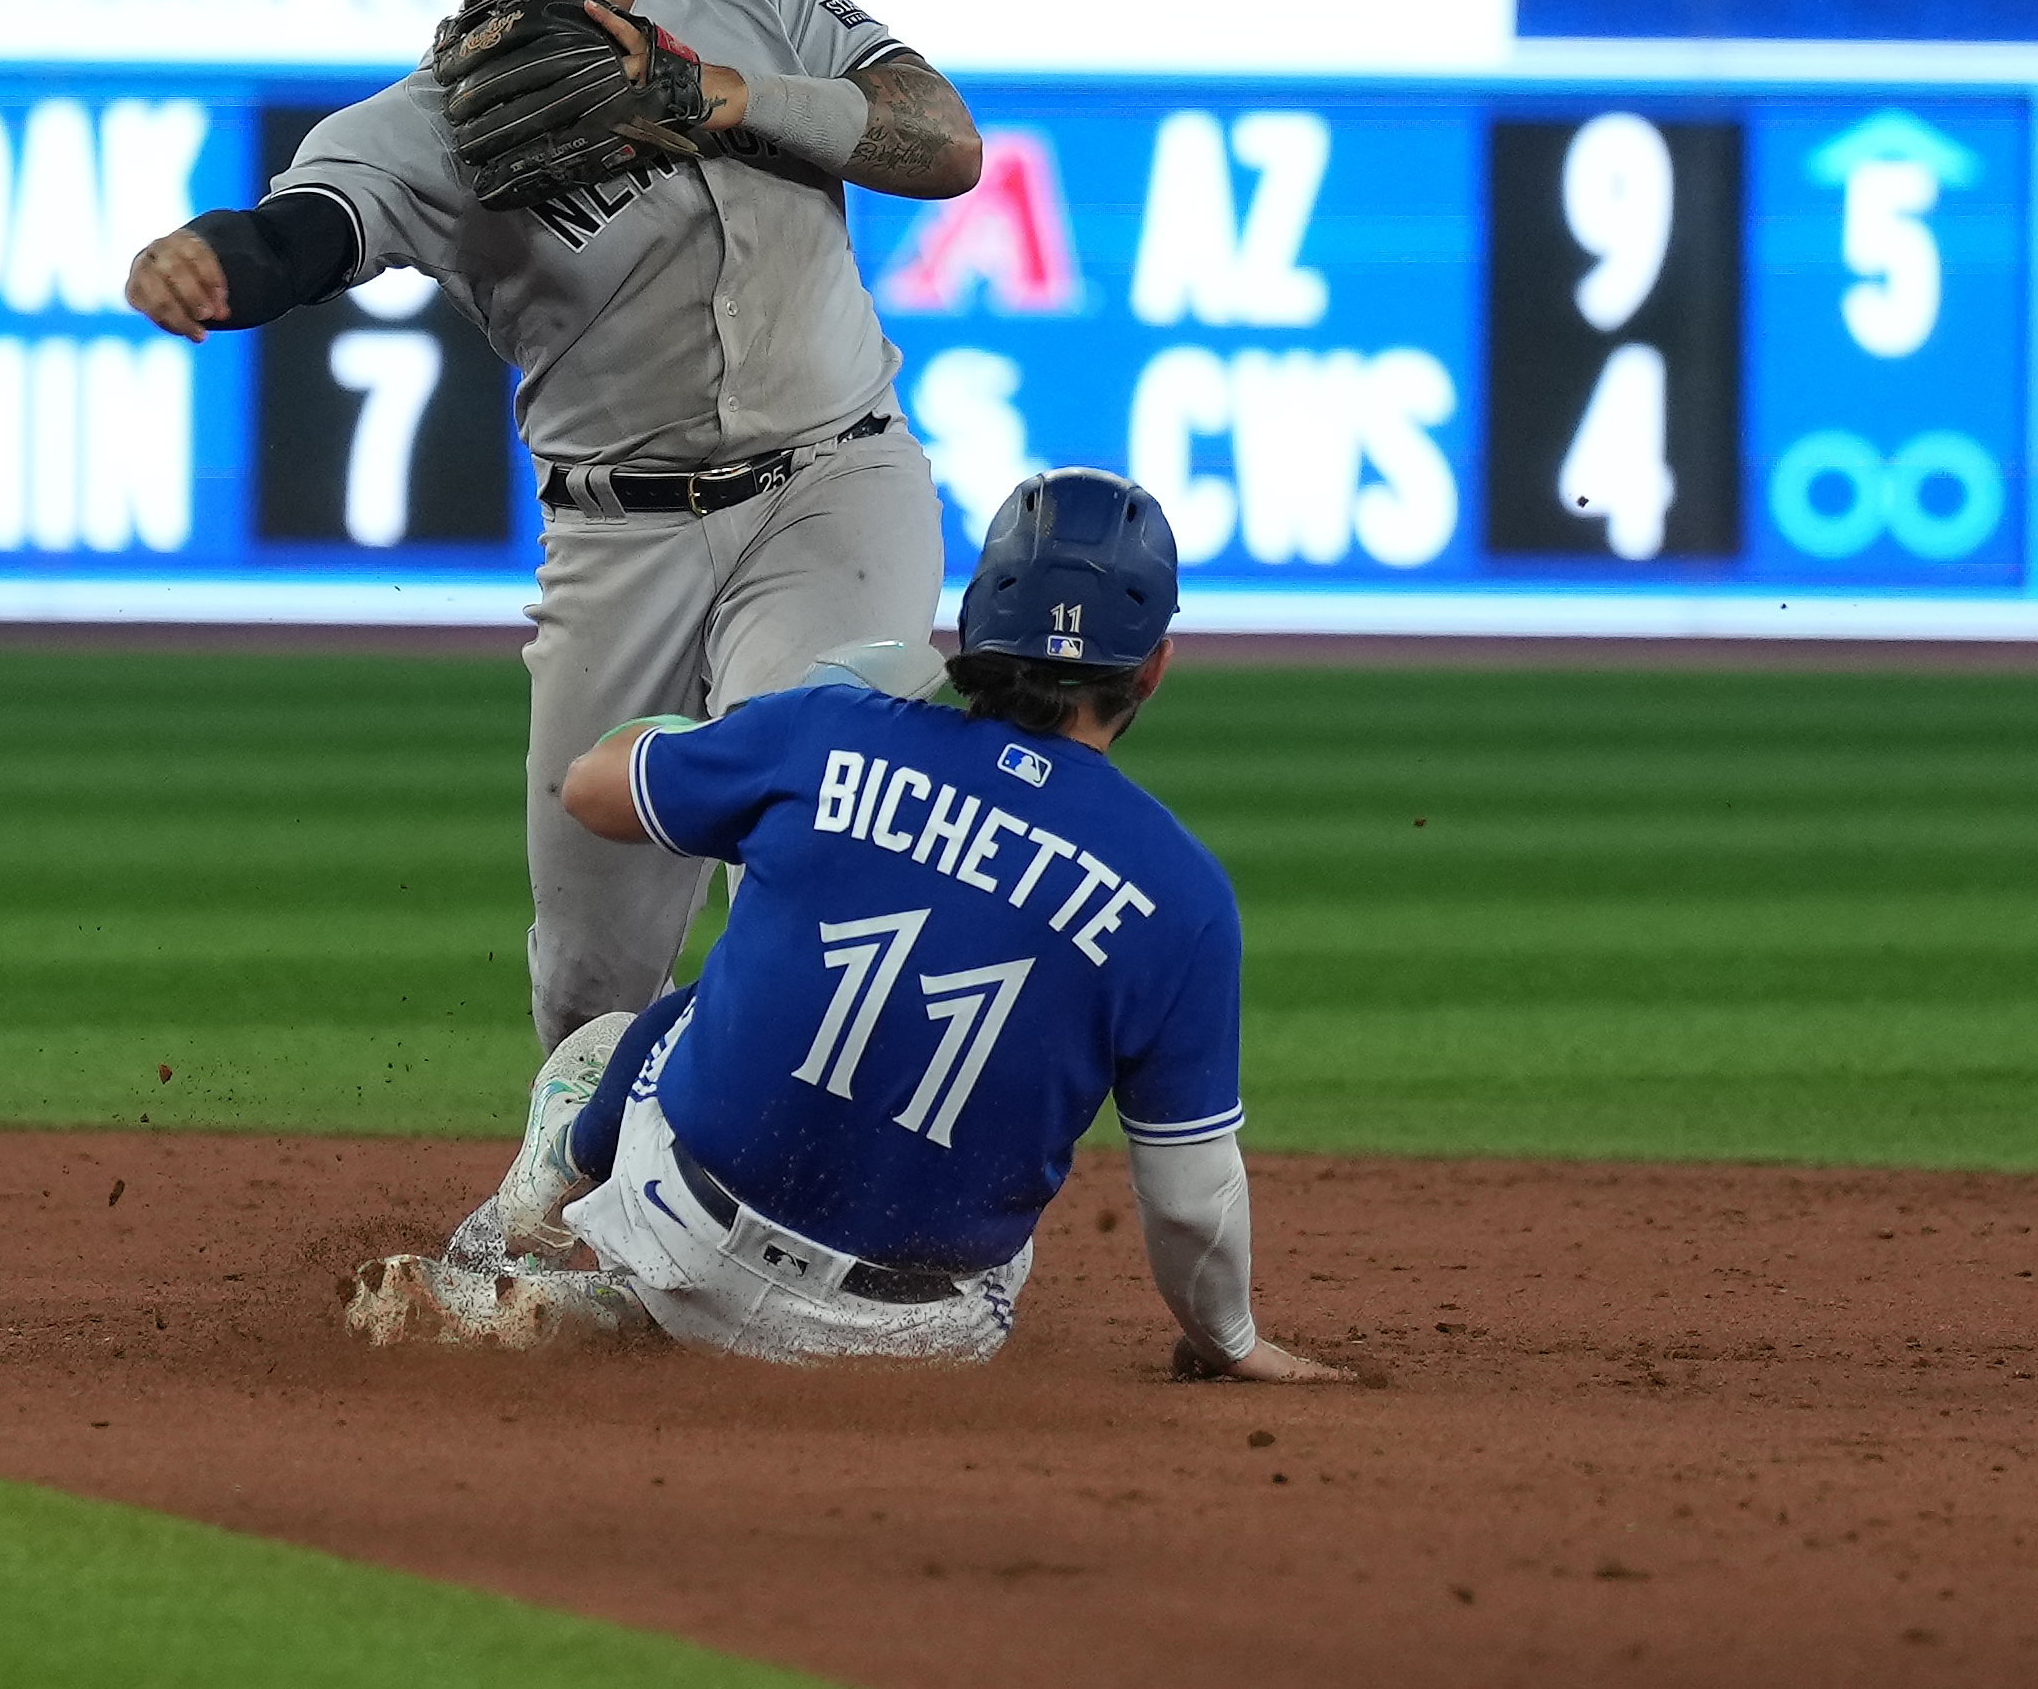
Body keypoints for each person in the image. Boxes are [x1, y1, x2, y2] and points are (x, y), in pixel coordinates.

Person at [126, 0, 976, 1055]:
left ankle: (846, 1222)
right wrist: (215, 258)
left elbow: (942, 144)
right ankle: (567, 1236)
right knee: (594, 975)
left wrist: (724, 96)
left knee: (816, 847)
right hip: (620, 538)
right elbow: (307, 232)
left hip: (838, 486)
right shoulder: (412, 130)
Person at [343, 469, 1352, 1381]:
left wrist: (744, 726)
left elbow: (595, 788)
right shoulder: (1181, 892)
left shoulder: (827, 730)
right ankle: (628, 1306)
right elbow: (1188, 1198)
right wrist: (1229, 1340)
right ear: (1153, 667)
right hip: (918, 1341)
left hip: (687, 1230)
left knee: (638, 1029)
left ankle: (532, 1252)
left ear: (971, 623)